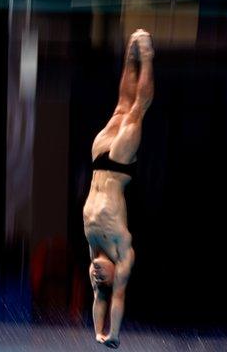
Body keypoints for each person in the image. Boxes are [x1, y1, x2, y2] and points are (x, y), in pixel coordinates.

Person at [82, 29, 154, 348]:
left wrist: (98, 332)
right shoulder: (123, 252)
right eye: (103, 278)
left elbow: (99, 300)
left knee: (121, 105)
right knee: (137, 109)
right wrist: (113, 335)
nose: (97, 275)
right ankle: (146, 56)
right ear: (115, 275)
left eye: (96, 277)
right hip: (120, 167)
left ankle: (130, 53)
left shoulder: (94, 254)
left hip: (99, 161)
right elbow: (116, 299)